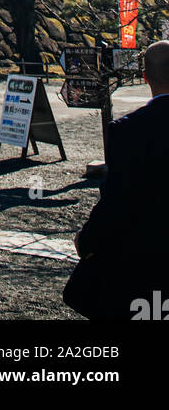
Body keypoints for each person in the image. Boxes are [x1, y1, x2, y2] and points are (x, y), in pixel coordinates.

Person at [64, 40, 169, 320]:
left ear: (145, 77)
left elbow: (116, 201)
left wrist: (87, 240)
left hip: (143, 258)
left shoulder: (128, 130)